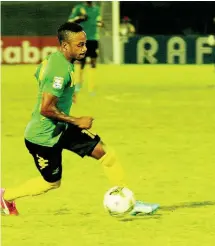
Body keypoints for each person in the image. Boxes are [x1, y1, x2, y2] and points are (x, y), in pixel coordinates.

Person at [1, 22, 159, 216]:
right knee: (51, 183)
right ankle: (6, 197)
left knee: (105, 153)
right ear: (65, 46)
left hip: (62, 128)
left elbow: (40, 76)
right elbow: (45, 108)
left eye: (84, 44)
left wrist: (65, 94)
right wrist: (77, 120)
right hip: (42, 138)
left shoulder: (54, 60)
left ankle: (129, 201)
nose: (84, 48)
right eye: (80, 45)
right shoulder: (59, 69)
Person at [68, 1, 103, 95]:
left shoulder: (97, 9)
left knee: (93, 61)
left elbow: (99, 21)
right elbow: (70, 21)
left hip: (94, 38)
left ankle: (91, 87)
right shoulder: (79, 8)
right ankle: (79, 83)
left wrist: (100, 24)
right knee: (81, 61)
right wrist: (79, 19)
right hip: (82, 38)